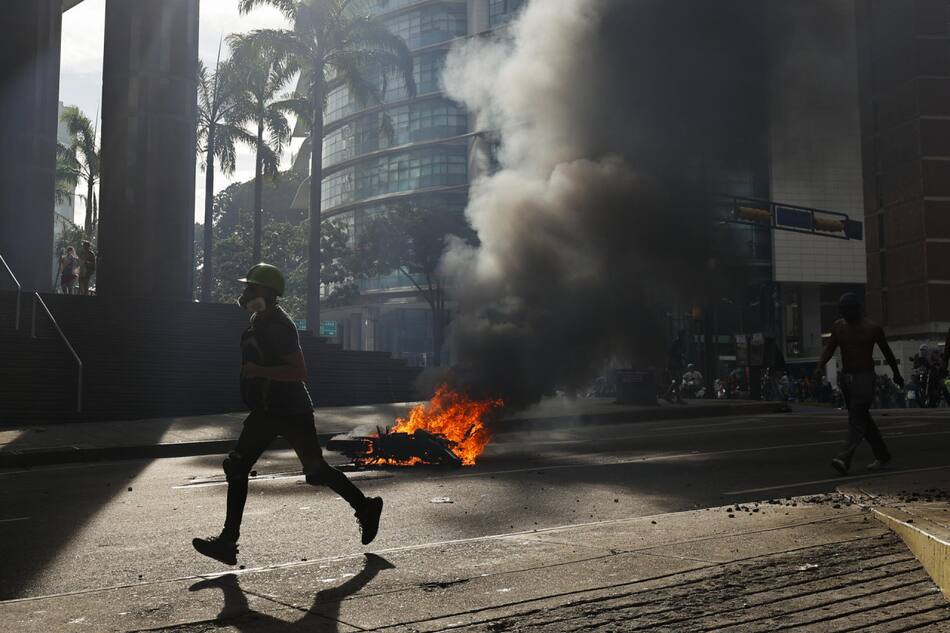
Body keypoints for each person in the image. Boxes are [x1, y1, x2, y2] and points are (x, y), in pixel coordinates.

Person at [192, 263, 384, 566]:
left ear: (266, 293)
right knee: (237, 465)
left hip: (292, 410)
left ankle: (366, 508)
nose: (245, 293)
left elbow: (299, 371)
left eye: (251, 288)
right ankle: (228, 542)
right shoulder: (258, 321)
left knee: (317, 472)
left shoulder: (280, 326)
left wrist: (259, 371)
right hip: (266, 410)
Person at [815, 293, 904, 476]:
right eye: (842, 310)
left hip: (865, 376)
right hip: (847, 377)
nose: (845, 313)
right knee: (862, 418)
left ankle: (844, 457)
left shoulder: (872, 328)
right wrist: (819, 367)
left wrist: (896, 374)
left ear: (857, 309)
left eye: (848, 309)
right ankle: (883, 455)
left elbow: (887, 352)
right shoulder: (838, 327)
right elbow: (829, 349)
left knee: (857, 416)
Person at [662, 330, 687, 404]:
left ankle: (671, 396)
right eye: (684, 336)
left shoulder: (679, 343)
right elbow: (671, 353)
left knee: (677, 381)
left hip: (676, 364)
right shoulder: (676, 343)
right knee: (678, 380)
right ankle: (671, 396)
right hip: (674, 364)